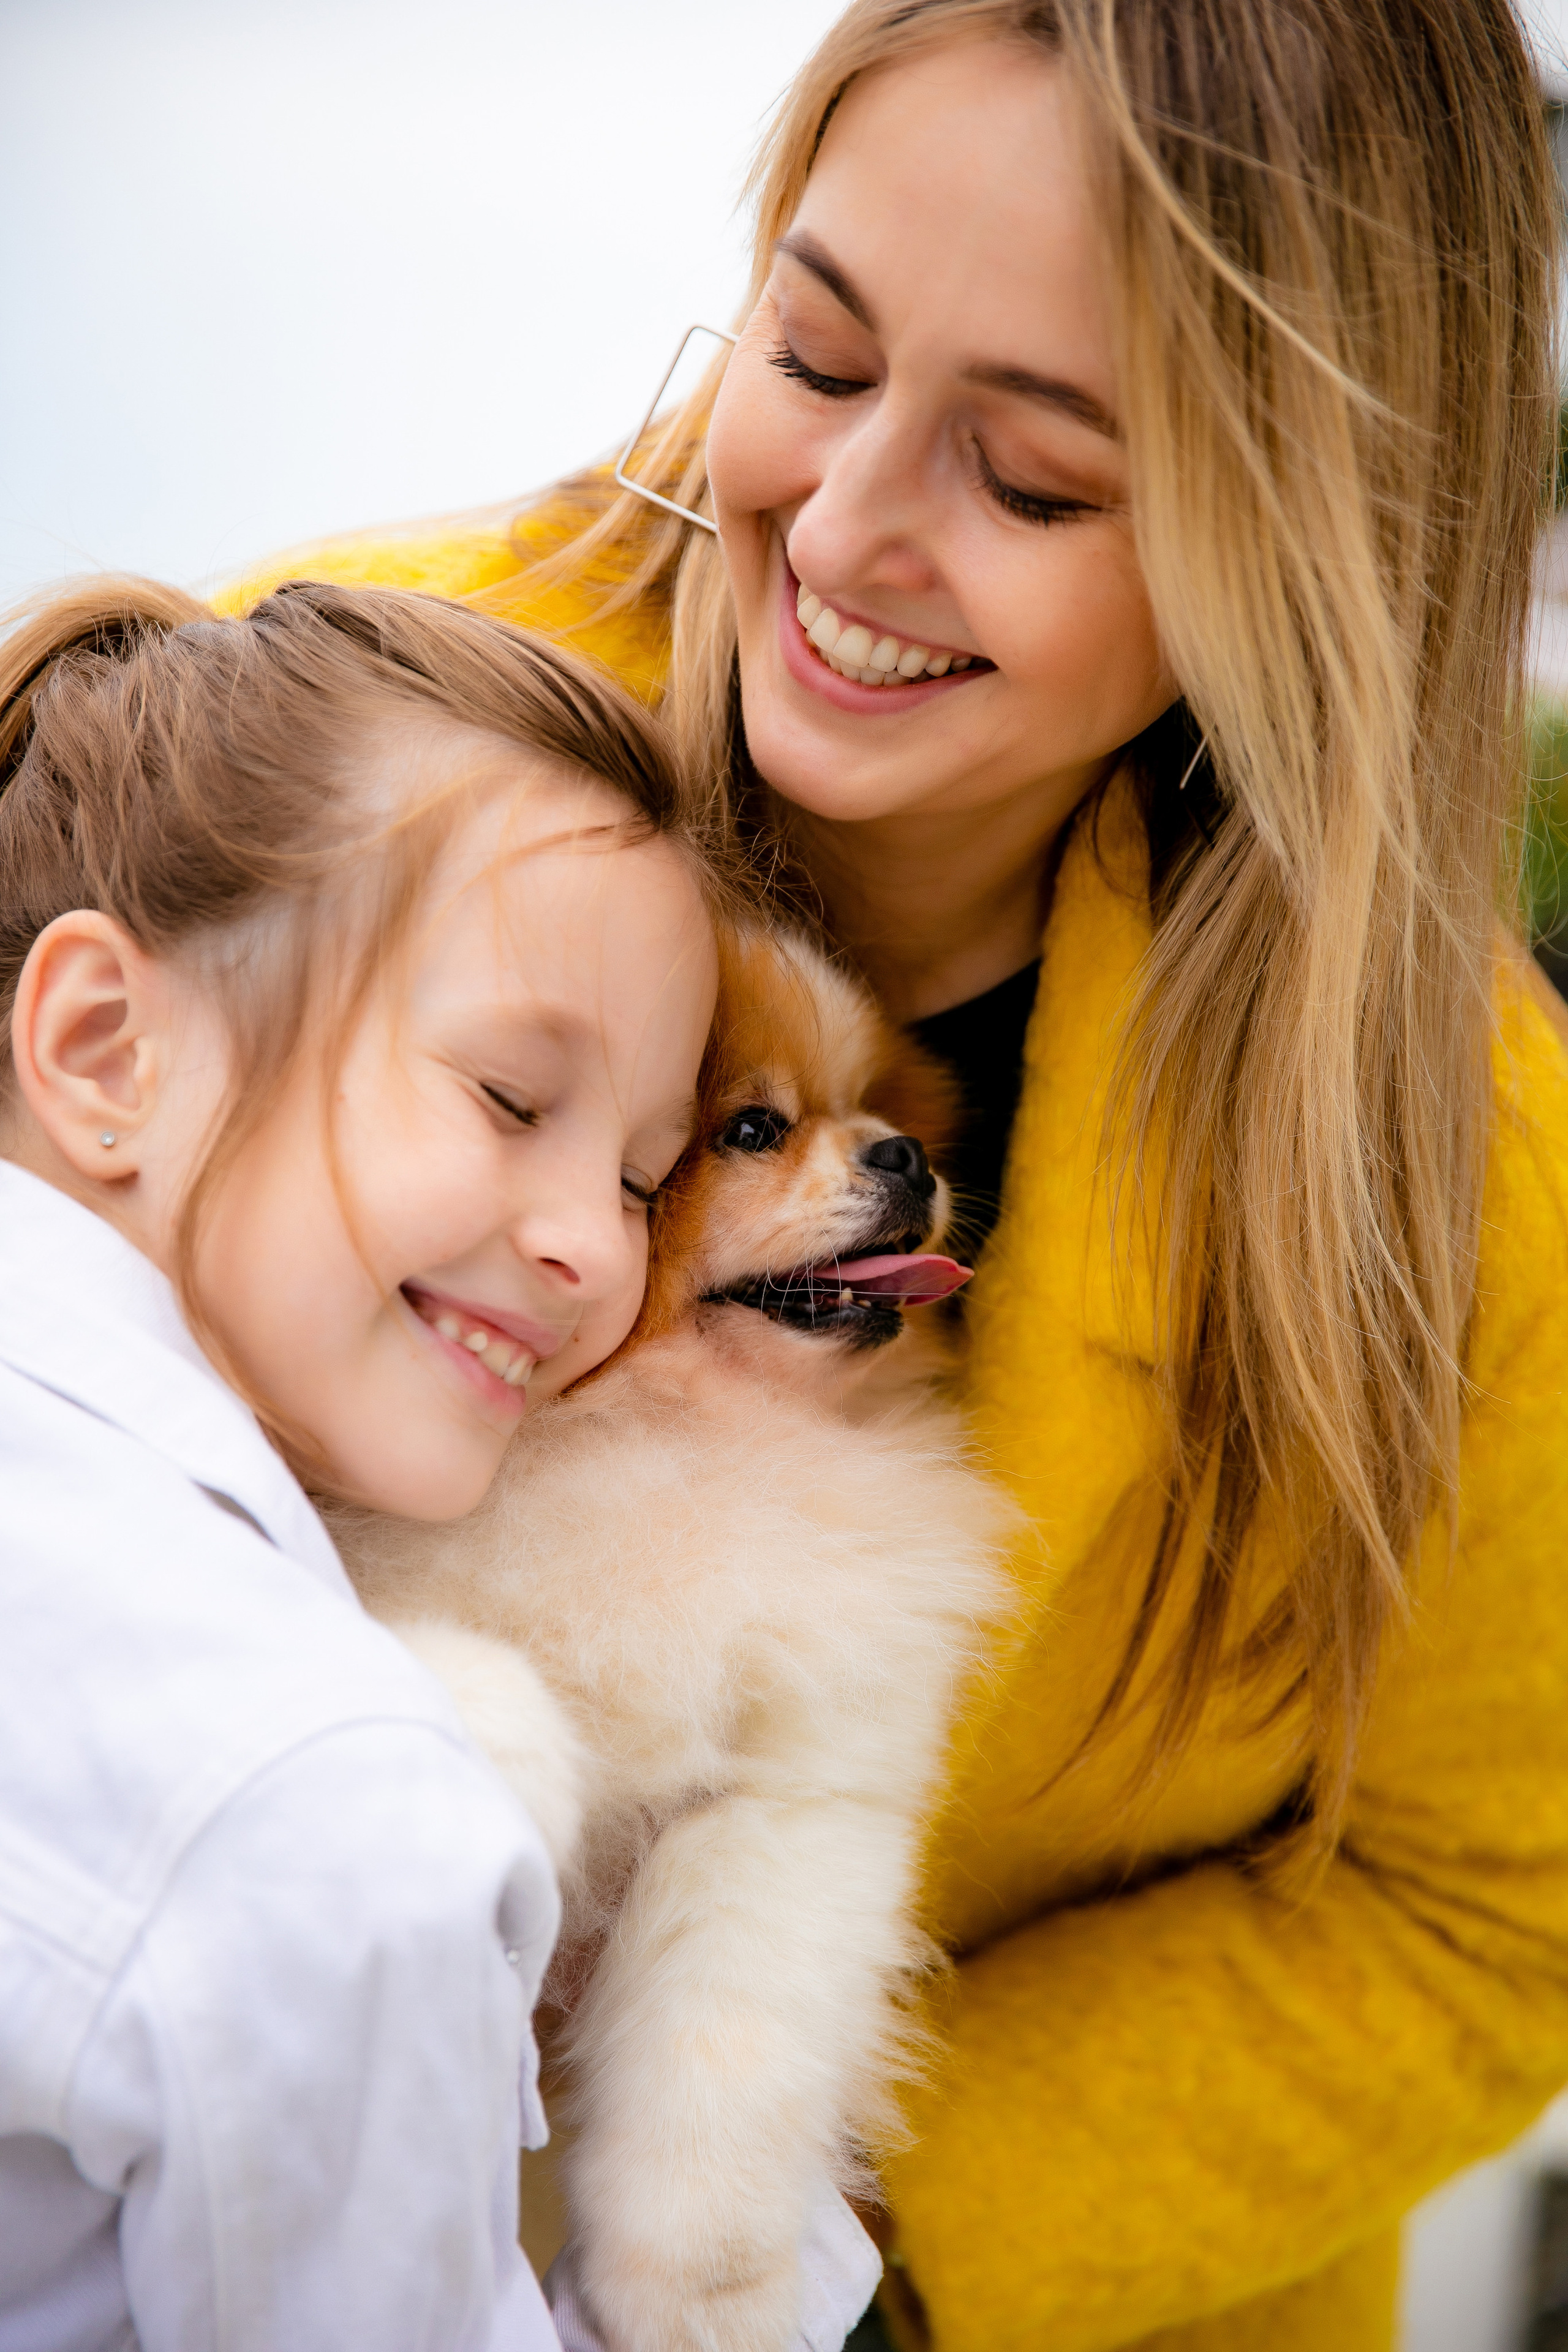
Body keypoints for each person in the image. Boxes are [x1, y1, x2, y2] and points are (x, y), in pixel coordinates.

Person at [220, 1, 1568, 2345]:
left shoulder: (1483, 1160)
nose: (841, 532)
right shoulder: (306, 749)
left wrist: (856, 2265)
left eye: (1034, 482)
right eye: (815, 354)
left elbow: (1499, 1904)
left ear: (1310, 551)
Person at [0, 577, 720, 2348]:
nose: (601, 1256)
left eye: (641, 1175)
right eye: (506, 1096)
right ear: (105, 1047)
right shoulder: (333, 1815)